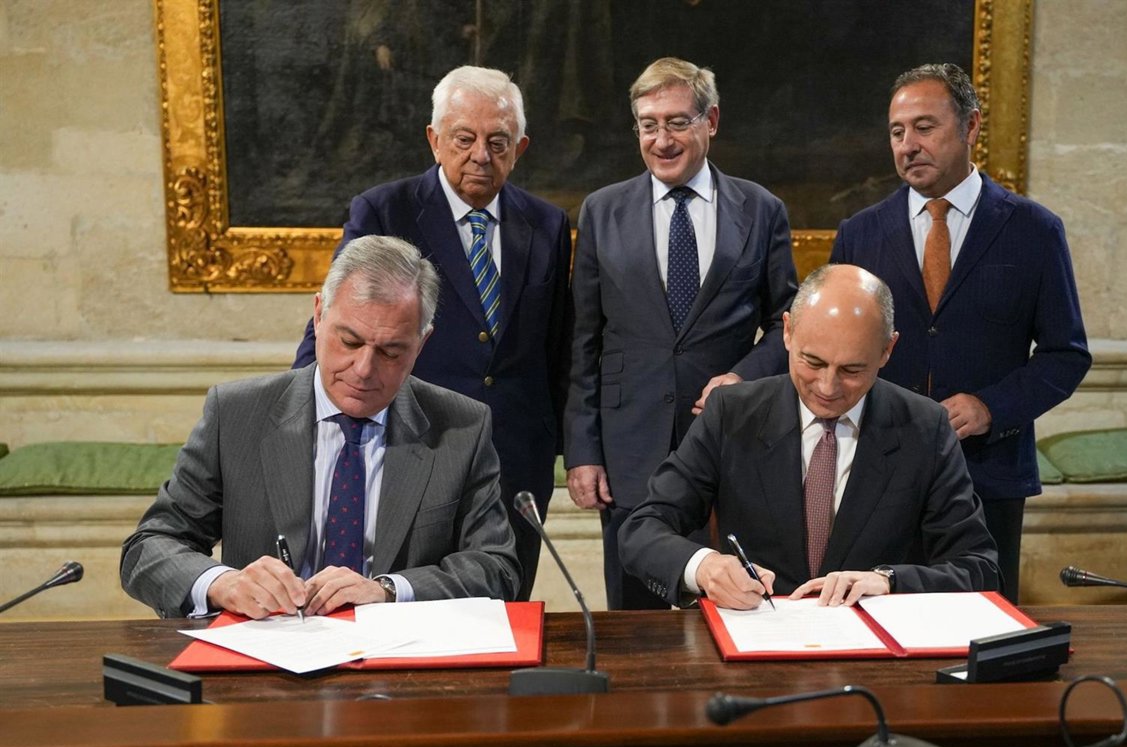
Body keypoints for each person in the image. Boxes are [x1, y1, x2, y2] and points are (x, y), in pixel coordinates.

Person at [122, 235, 521, 619]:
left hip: (399, 653)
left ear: (421, 343)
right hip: (267, 649)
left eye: (390, 352)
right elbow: (150, 547)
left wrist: (389, 590)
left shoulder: (462, 427)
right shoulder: (236, 415)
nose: (363, 369)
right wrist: (222, 583)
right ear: (318, 315)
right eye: (350, 342)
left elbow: (497, 568)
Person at [292, 66, 572, 602]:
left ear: (520, 148)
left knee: (502, 606)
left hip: (517, 456)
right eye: (464, 139)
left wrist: (570, 449)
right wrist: (295, 416)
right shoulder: (385, 210)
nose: (481, 156)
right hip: (416, 442)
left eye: (498, 142)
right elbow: (335, 317)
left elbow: (559, 346)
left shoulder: (548, 224)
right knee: (403, 599)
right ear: (434, 139)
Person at [829, 63, 1090, 603]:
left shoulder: (1034, 229)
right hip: (876, 472)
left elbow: (1066, 355)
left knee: (981, 629)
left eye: (924, 127)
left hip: (988, 474)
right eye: (897, 132)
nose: (908, 145)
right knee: (874, 622)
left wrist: (991, 408)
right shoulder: (861, 233)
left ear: (971, 126)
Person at [621, 264, 1000, 610]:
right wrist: (703, 567)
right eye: (812, 362)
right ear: (787, 331)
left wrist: (888, 581)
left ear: (887, 350)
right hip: (757, 640)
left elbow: (978, 568)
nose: (827, 387)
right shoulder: (730, 414)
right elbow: (643, 529)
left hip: (872, 649)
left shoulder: (925, 428)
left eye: (851, 370)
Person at [564, 57, 798, 609]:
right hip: (629, 451)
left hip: (729, 445)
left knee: (733, 606)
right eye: (648, 125)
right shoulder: (602, 211)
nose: (661, 140)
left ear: (710, 121)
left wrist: (743, 376)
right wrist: (582, 451)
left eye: (676, 122)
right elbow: (583, 341)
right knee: (633, 621)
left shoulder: (761, 209)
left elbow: (787, 323)